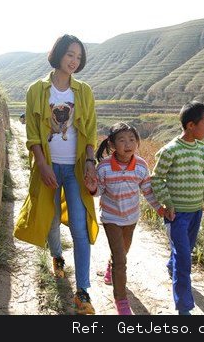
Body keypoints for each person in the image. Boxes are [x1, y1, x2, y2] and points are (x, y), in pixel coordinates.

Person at [13, 34, 98, 315]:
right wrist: (43, 165)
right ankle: (57, 257)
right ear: (59, 54)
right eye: (70, 54)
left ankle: (83, 291)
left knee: (79, 227)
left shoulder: (83, 91)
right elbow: (33, 134)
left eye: (79, 56)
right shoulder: (37, 90)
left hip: (74, 169)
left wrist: (89, 162)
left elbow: (90, 131)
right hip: (48, 166)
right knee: (49, 220)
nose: (74, 60)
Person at [84, 122, 171, 315]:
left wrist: (159, 208)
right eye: (122, 140)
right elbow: (99, 191)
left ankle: (110, 266)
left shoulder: (141, 165)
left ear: (137, 143)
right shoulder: (104, 167)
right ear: (112, 145)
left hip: (131, 218)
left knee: (122, 252)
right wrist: (92, 187)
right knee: (121, 260)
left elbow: (147, 190)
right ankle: (121, 299)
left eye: (132, 139)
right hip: (111, 218)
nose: (128, 144)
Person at [150, 101, 204, 315]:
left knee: (185, 251)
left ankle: (172, 265)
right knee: (184, 259)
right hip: (176, 214)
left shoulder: (202, 151)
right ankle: (184, 306)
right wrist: (167, 203)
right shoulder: (170, 151)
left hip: (195, 212)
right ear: (191, 125)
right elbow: (156, 179)